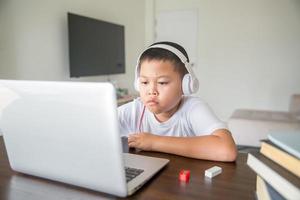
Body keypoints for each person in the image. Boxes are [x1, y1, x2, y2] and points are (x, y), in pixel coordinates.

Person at [118, 41, 237, 162]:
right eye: (144, 82)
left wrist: (153, 142)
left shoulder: (193, 108)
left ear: (186, 85)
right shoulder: (134, 110)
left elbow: (227, 151)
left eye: (162, 82)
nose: (151, 91)